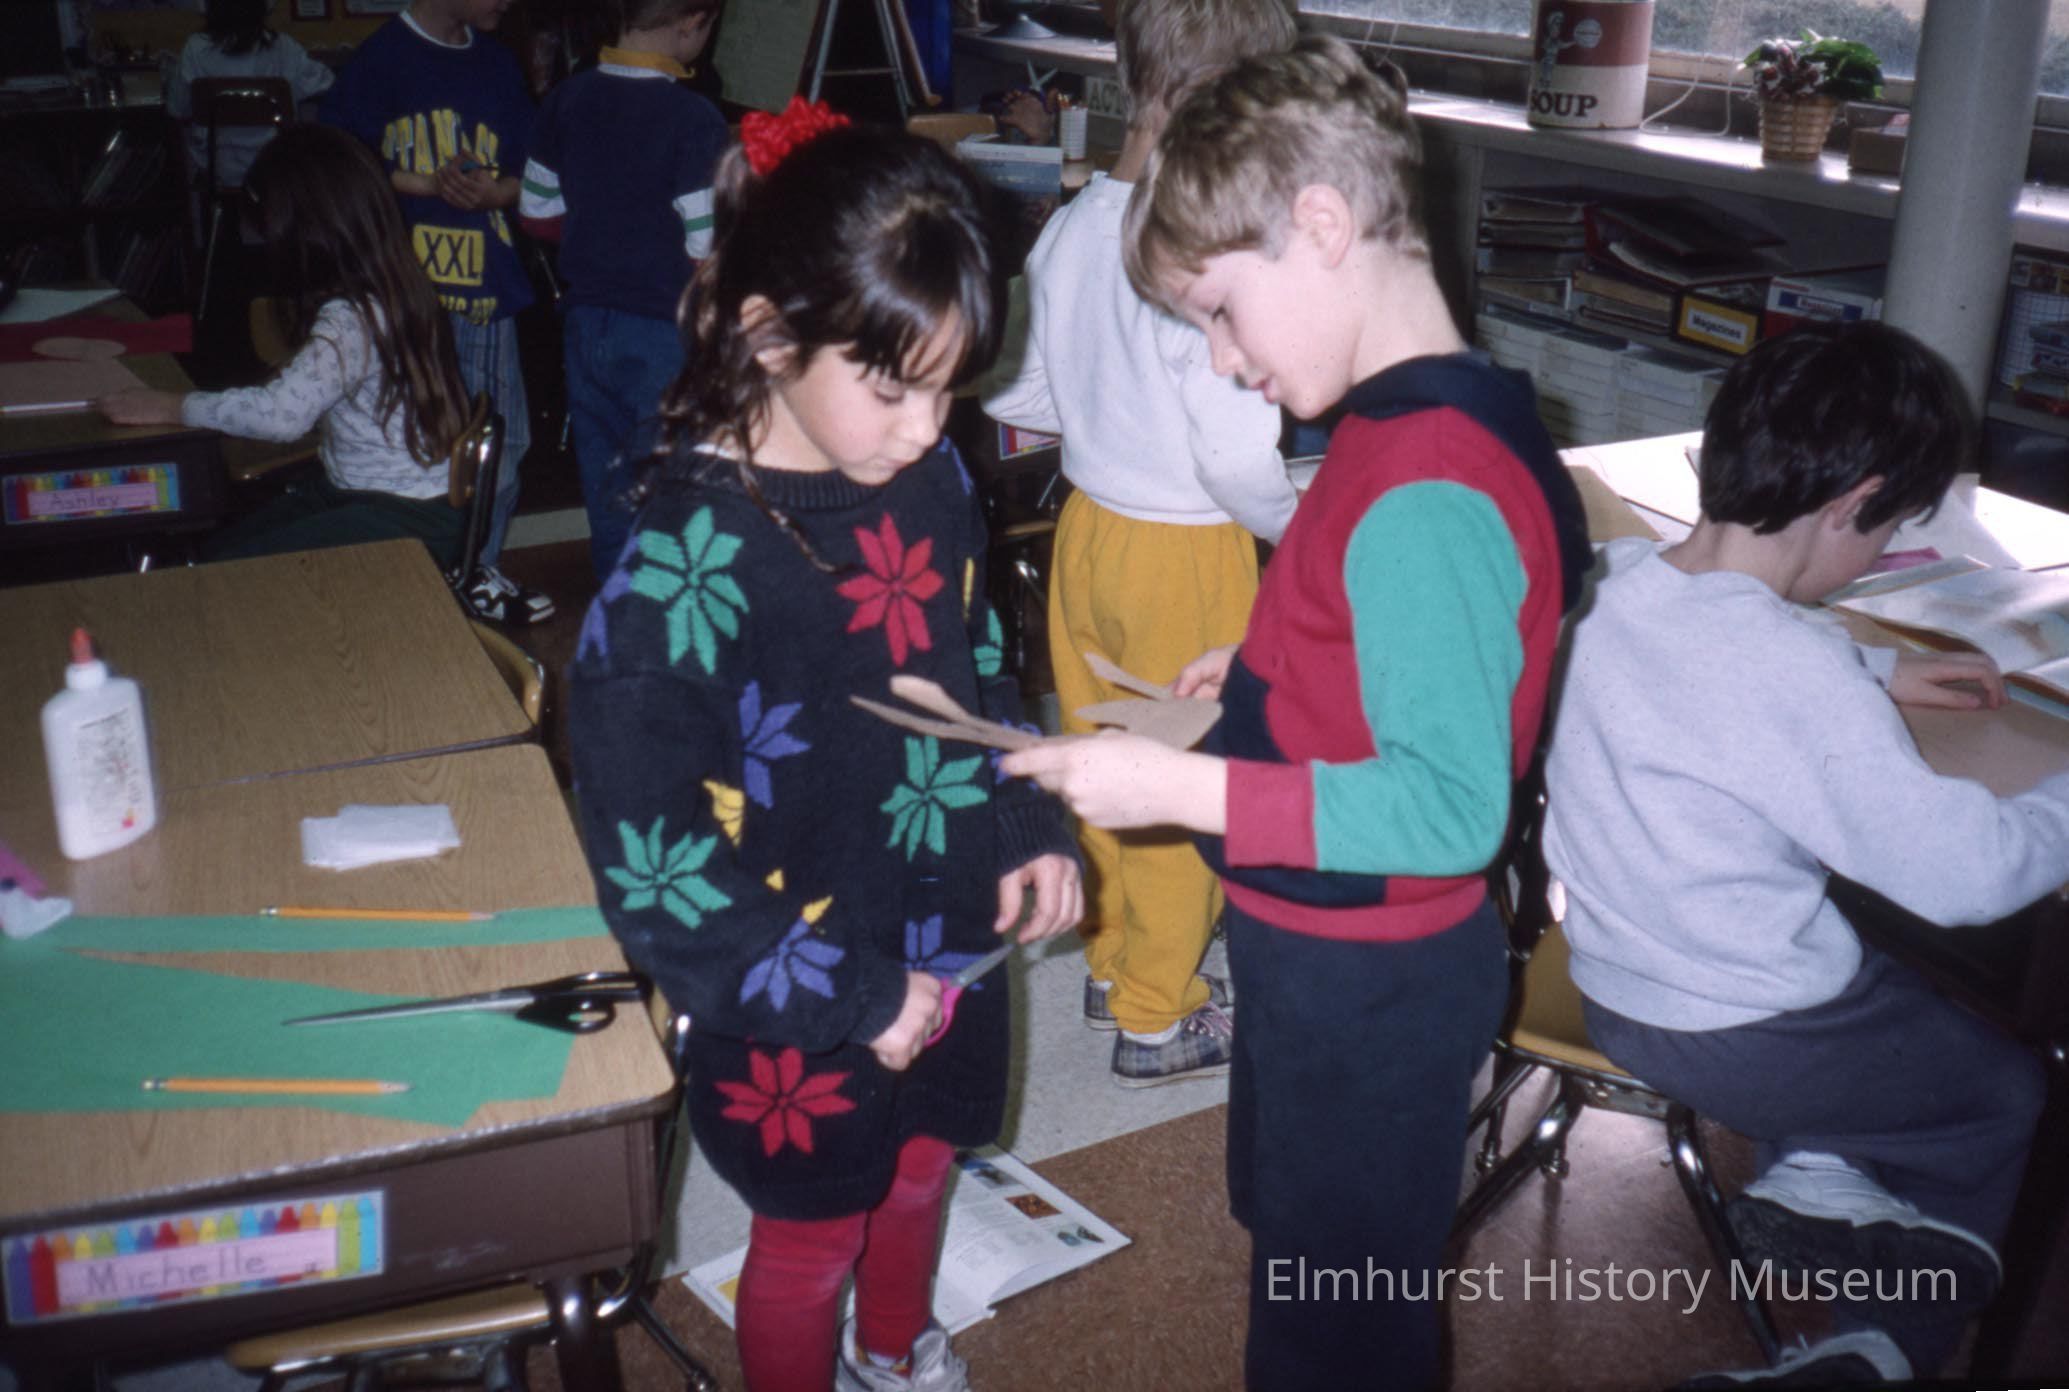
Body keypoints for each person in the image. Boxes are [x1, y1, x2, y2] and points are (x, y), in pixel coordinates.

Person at [1005, 35, 1593, 1391]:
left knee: (1338, 1325)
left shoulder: (1425, 482)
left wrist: (1179, 790)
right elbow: (1387, 632)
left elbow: (1446, 809)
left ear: (1320, 227)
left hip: (1370, 977)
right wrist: (1264, 659)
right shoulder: (1402, 424)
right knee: (1295, 1241)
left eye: (1219, 310)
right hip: (1312, 942)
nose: (1219, 360)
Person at [567, 109, 1083, 1392]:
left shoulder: (930, 479)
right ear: (767, 337)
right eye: (894, 387)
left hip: (947, 926)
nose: (927, 427)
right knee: (809, 1238)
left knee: (921, 1174)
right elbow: (655, 875)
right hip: (790, 984)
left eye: (951, 386)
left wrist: (1025, 817)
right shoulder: (677, 580)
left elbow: (974, 667)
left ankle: (893, 1352)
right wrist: (851, 1000)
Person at [1540, 321, 2059, 1389]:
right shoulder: (1786, 673)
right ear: (1849, 505)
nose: (1884, 549)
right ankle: (1880, 1350)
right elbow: (1971, 877)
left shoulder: (1607, 585)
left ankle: (1820, 1169)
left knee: (1886, 991)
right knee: (1999, 1090)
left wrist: (1872, 668)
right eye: (1890, 529)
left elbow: (1713, 662)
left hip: (1613, 979)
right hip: (1745, 1027)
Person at [980, 0, 1299, 1088]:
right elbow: (1234, 455)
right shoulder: (1205, 244)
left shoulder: (1075, 223)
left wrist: (1105, 420)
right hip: (1186, 551)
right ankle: (1160, 1018)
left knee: (1102, 760)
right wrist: (1302, 529)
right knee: (1180, 782)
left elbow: (1017, 391)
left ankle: (1113, 964)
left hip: (1087, 532)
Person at [98, 124, 473, 567]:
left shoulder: (351, 318)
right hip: (380, 495)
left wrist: (171, 406)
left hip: (402, 515)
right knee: (218, 553)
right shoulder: (395, 280)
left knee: (224, 568)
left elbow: (281, 418)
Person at [322, 0, 554, 623]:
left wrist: (498, 192)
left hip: (485, 292)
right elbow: (336, 162)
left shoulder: (498, 64)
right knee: (413, 443)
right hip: (405, 296)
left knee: (501, 438)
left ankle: (475, 570)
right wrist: (423, 183)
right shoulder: (381, 58)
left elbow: (533, 167)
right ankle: (422, 574)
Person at [518, 0, 726, 582]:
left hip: (585, 325)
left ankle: (620, 605)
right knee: (675, 488)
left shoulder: (565, 99)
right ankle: (671, 614)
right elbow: (703, 249)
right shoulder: (695, 118)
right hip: (663, 332)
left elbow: (536, 213)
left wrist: (603, 233)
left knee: (609, 487)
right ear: (693, 22)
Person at [164, 0, 335, 195]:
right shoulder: (283, 47)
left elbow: (177, 108)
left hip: (217, 168)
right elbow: (326, 82)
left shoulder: (195, 49)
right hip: (275, 166)